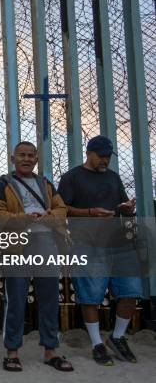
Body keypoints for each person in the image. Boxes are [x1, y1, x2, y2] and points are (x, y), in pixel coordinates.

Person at [58, 135, 141, 366]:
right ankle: (96, 343)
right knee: (91, 295)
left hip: (118, 243)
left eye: (108, 156)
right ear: (89, 153)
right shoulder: (72, 177)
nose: (105, 160)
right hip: (87, 243)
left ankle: (117, 338)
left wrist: (127, 208)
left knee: (131, 291)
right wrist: (90, 213)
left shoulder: (113, 178)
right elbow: (61, 209)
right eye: (101, 155)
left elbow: (121, 207)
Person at [0, 141, 73, 372]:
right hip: (18, 245)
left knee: (49, 297)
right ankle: (12, 352)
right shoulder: (3, 184)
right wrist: (25, 218)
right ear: (12, 158)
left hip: (46, 242)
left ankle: (50, 351)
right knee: (15, 298)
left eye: (30, 155)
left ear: (36, 159)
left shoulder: (45, 183)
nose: (26, 159)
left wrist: (48, 215)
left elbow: (61, 209)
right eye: (21, 155)